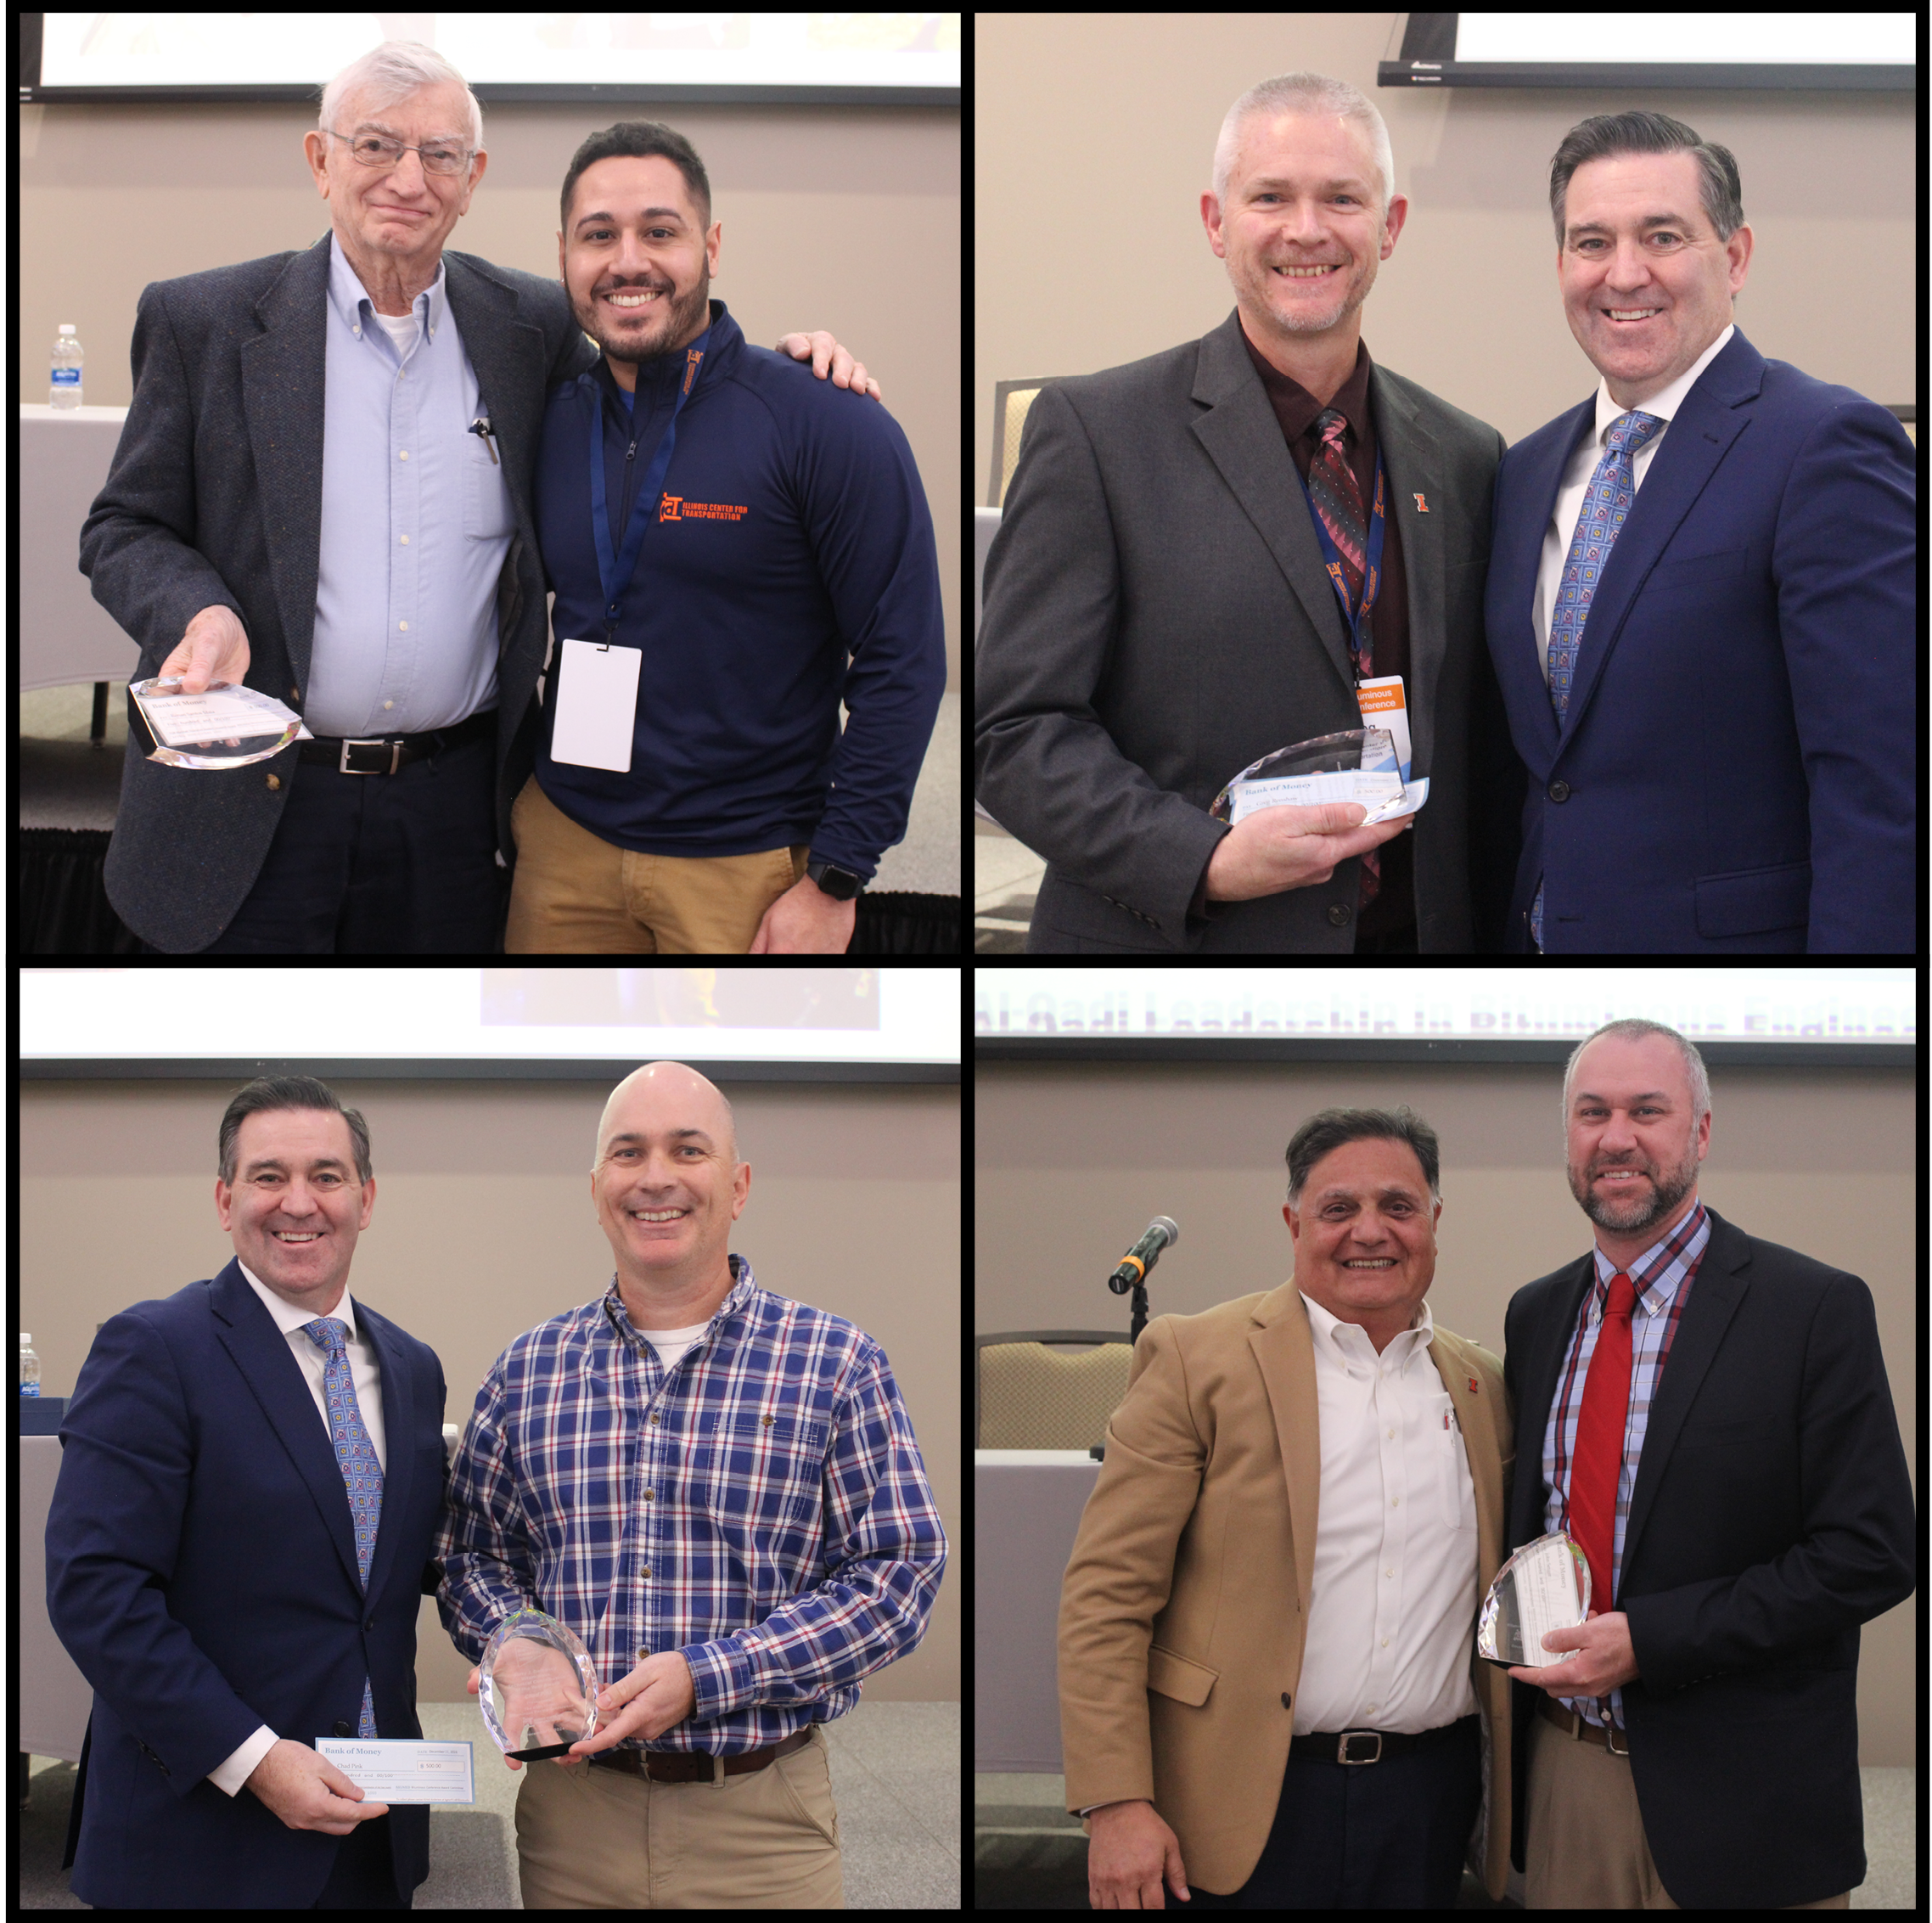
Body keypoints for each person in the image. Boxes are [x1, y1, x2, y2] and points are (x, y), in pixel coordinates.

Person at [80, 38, 882, 954]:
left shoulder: (529, 327)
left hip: (453, 810)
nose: (406, 178)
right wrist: (202, 608)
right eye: (375, 145)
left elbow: (661, 379)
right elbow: (123, 526)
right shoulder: (206, 322)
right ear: (320, 160)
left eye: (439, 156)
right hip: (257, 795)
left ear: (473, 180)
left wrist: (799, 367)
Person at [974, 70, 1525, 953]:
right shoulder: (1094, 434)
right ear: (1214, 221)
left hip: (1408, 963)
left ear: (1389, 227)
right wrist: (1203, 860)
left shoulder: (1466, 456)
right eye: (1270, 196)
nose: (1306, 230)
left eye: (1341, 198)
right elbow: (1012, 731)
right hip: (1178, 950)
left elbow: (1486, 752)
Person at [435, 1060, 947, 1908]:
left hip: (759, 1817)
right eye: (629, 1154)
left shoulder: (834, 1362)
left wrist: (712, 1675)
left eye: (688, 1150)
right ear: (597, 1187)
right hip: (572, 1815)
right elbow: (469, 1559)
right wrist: (513, 1637)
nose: (657, 1178)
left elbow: (897, 1577)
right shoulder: (528, 1371)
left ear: (737, 1185)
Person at [506, 123, 946, 955]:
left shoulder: (826, 422)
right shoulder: (546, 417)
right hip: (563, 849)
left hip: (744, 868)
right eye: (598, 236)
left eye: (659, 231)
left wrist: (838, 875)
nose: (627, 261)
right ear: (563, 254)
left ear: (709, 244)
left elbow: (904, 660)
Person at [1502, 1020, 1914, 1906]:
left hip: (1749, 1801)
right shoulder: (1534, 1318)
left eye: (1647, 1110)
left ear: (1700, 1131)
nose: (1616, 1137)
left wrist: (1650, 1641)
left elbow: (1872, 1553)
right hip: (1567, 1779)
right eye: (1591, 1112)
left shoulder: (1811, 1309)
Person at [1059, 1108, 1515, 1909]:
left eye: (1398, 1207)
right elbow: (1106, 1598)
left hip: (1428, 1805)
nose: (1369, 1231)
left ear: (1435, 1222)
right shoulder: (1196, 1357)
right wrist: (1115, 1800)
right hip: (1238, 1802)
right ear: (1293, 1220)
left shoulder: (1483, 1386)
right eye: (1338, 1208)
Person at [1486, 112, 1916, 953]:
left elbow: (1881, 784)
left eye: (1661, 236)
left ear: (1736, 256)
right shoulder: (1521, 471)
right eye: (1589, 242)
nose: (1624, 273)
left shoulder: (1825, 444)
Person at [46, 1077, 446, 1909]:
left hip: (368, 1840)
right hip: (198, 1842)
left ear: (365, 1199)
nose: (297, 1202)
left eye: (327, 1176)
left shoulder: (412, 1368)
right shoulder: (153, 1348)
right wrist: (256, 1758)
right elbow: (97, 1593)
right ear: (225, 1199)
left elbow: (390, 1581)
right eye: (268, 1176)